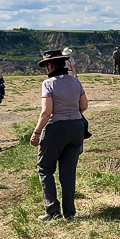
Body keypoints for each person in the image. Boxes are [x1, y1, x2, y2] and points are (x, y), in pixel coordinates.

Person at [30, 49, 88, 220]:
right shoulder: (76, 82)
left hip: (56, 128)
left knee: (45, 168)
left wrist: (36, 132)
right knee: (68, 172)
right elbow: (84, 106)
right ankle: (69, 212)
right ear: (64, 64)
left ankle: (52, 210)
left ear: (49, 65)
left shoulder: (48, 84)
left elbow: (46, 111)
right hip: (77, 127)